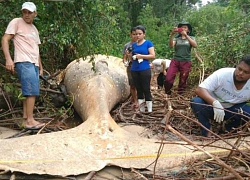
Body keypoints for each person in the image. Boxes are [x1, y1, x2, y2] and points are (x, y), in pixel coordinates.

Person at [1, 2, 45, 130]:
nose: (26, 15)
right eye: (24, 12)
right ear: (22, 13)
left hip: (33, 63)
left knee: (29, 91)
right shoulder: (16, 22)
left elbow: (36, 49)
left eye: (29, 12)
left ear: (35, 14)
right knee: (31, 91)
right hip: (23, 61)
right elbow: (5, 39)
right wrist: (8, 59)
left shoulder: (35, 29)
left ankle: (26, 118)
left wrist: (40, 67)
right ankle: (30, 121)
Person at [191, 54, 250, 137]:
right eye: (239, 69)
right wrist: (215, 103)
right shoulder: (223, 74)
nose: (240, 73)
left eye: (246, 72)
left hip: (233, 109)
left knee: (248, 111)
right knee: (197, 102)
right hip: (212, 107)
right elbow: (200, 89)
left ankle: (228, 131)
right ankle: (207, 132)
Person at [164, 22, 197, 96]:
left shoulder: (191, 38)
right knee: (168, 79)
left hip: (186, 61)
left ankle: (180, 96)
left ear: (188, 30)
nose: (183, 29)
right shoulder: (177, 39)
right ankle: (167, 93)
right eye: (181, 27)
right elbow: (171, 46)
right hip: (175, 61)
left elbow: (195, 45)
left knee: (183, 81)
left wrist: (186, 36)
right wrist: (172, 34)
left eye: (185, 27)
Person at [130, 25, 155, 112]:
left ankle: (149, 109)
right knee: (138, 88)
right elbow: (131, 57)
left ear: (144, 34)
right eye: (136, 34)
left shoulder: (148, 43)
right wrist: (130, 55)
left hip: (144, 68)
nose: (138, 36)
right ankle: (141, 109)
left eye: (140, 34)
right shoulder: (134, 45)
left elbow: (152, 55)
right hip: (134, 68)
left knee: (146, 88)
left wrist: (141, 56)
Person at [122, 27, 138, 108]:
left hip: (140, 65)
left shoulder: (141, 44)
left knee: (140, 84)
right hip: (131, 65)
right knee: (132, 84)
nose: (135, 36)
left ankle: (140, 100)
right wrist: (125, 62)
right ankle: (135, 100)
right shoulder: (127, 45)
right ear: (130, 34)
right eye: (134, 34)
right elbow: (124, 57)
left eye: (137, 34)